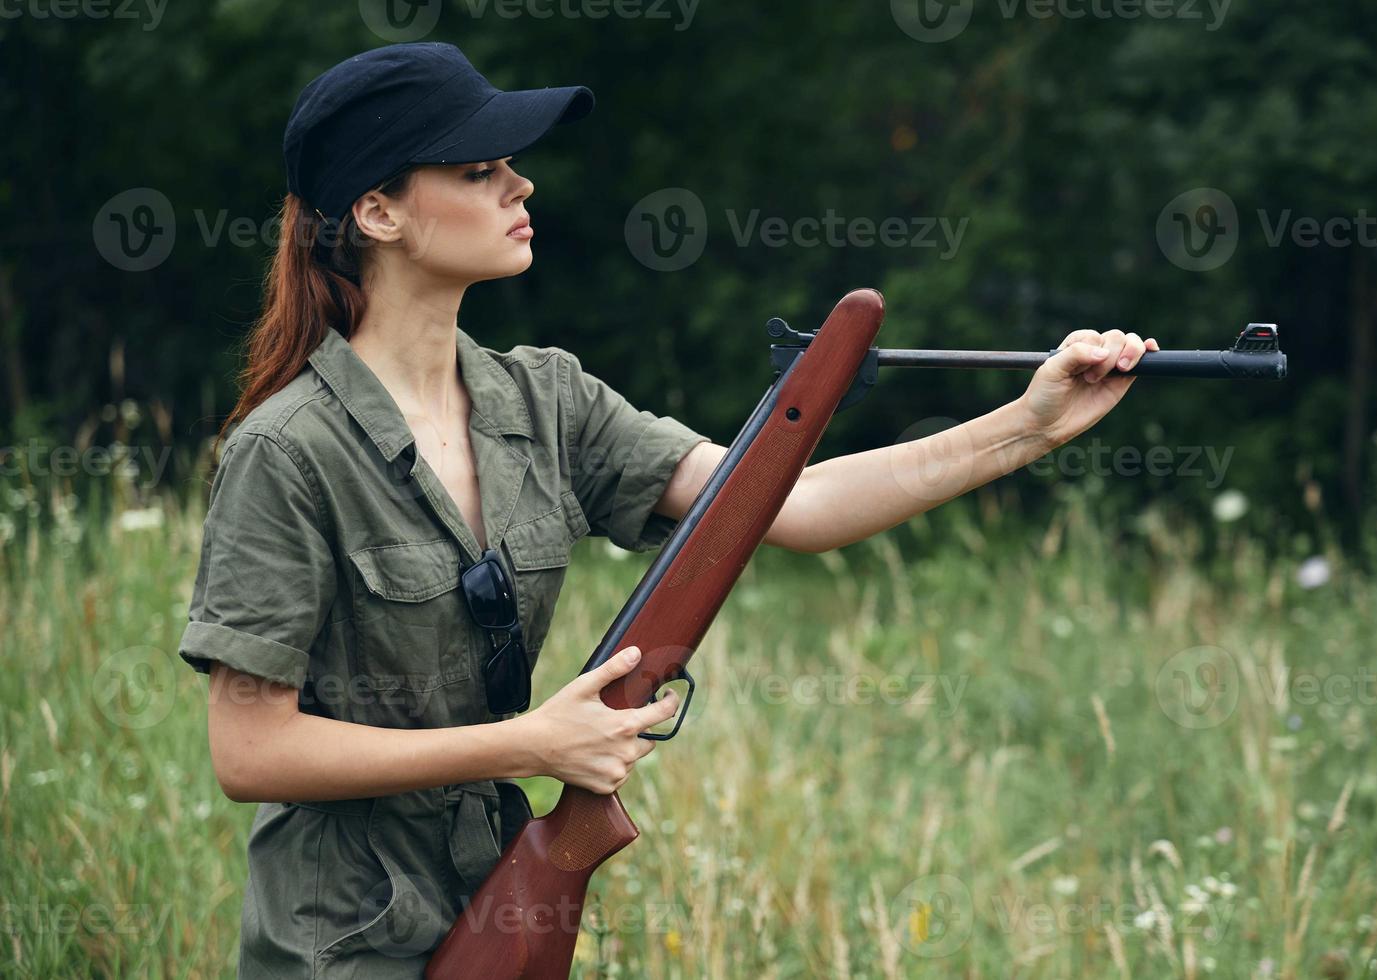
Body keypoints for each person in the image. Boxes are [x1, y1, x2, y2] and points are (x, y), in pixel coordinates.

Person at [176, 41, 1158, 978]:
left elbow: (794, 502)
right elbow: (250, 746)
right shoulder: (288, 450)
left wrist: (1027, 426)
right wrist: (529, 743)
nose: (522, 187)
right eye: (480, 170)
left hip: (499, 907)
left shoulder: (544, 400)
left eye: (512, 165)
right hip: (340, 943)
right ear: (379, 212)